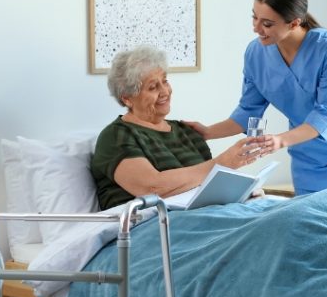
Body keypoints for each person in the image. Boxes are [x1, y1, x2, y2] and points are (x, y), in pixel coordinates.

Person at [186, 0, 327, 197]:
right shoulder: (255, 54)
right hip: (307, 156)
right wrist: (207, 132)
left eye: (267, 23)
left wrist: (280, 140)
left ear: (294, 23)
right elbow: (247, 112)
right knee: (309, 225)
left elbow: (326, 112)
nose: (256, 28)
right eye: (254, 17)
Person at [91, 45, 262, 210]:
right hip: (152, 226)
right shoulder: (116, 136)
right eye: (153, 87)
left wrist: (241, 192)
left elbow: (205, 187)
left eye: (164, 81)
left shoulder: (186, 132)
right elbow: (152, 188)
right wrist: (222, 163)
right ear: (127, 98)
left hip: (203, 217)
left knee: (283, 213)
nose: (164, 91)